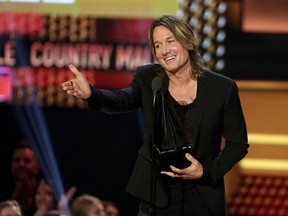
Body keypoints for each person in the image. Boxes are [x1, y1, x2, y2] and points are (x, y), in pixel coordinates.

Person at [62, 15, 249, 216]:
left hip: (202, 197)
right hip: (157, 196)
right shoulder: (149, 78)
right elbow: (121, 99)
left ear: (187, 42)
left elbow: (238, 145)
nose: (164, 50)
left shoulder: (222, 88)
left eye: (170, 41)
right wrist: (92, 93)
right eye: (158, 45)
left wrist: (206, 171)